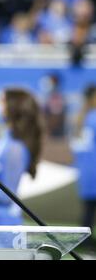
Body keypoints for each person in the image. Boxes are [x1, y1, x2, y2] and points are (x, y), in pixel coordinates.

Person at [0, 89, 43, 226]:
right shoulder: (1, 141)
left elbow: (7, 196)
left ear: (12, 107)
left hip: (3, 223)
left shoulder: (15, 149)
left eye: (1, 101)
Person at [72, 85, 96, 249]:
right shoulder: (93, 117)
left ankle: (85, 240)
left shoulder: (82, 117)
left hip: (86, 168)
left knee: (88, 209)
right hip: (93, 167)